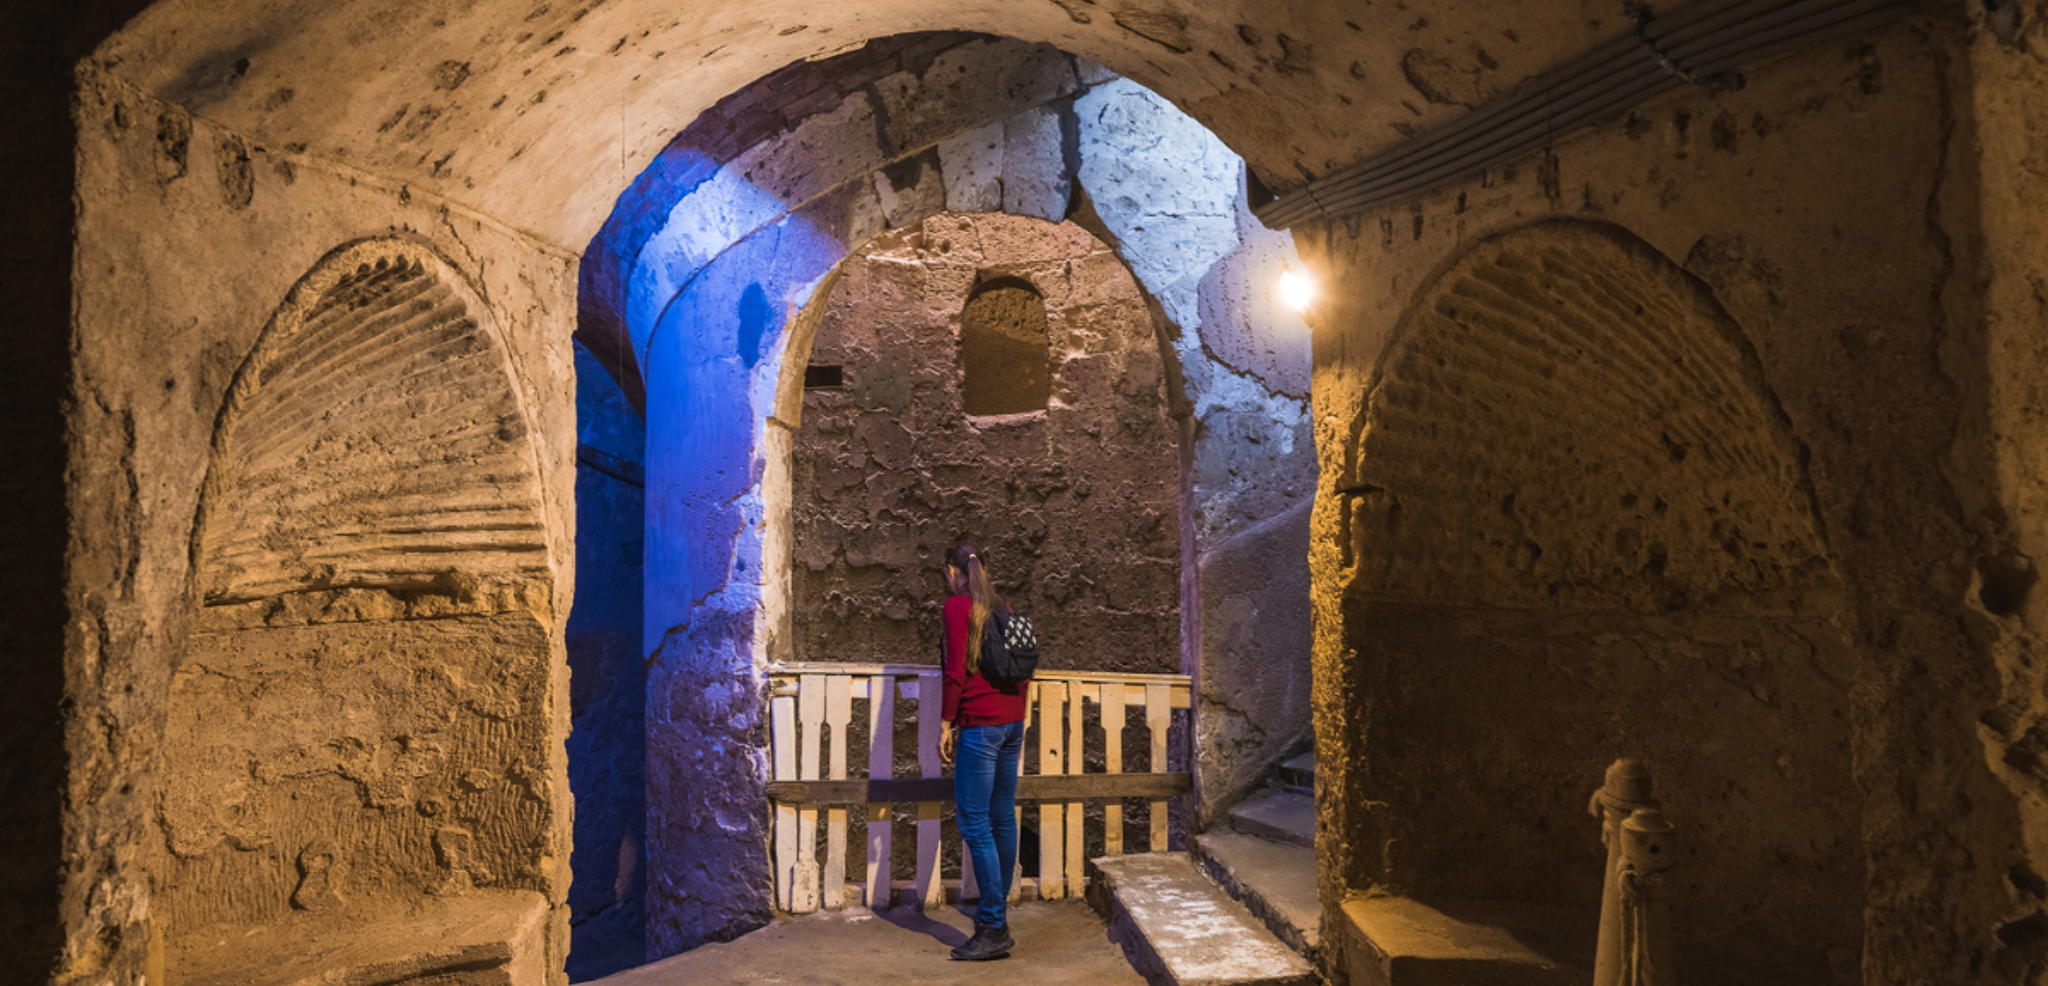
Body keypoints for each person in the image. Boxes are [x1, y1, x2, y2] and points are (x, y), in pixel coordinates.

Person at [938, 543, 1029, 961]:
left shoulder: (958, 608)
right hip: (1012, 723)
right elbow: (1021, 671)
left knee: (974, 822)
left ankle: (993, 925)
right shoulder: (1002, 606)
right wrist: (1015, 715)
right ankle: (996, 911)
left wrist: (945, 722)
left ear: (953, 572)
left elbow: (956, 669)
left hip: (981, 725)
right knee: (1002, 816)